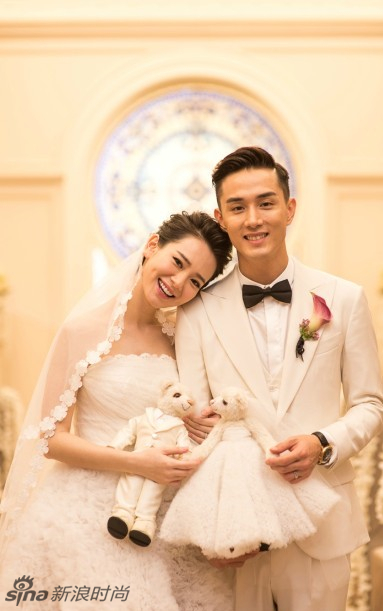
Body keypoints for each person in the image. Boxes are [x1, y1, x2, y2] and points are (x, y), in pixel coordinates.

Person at [176, 147, 383, 611]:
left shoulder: (344, 299)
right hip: (233, 528)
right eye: (237, 207)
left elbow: (370, 403)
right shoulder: (196, 310)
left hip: (321, 523)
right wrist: (208, 522)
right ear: (221, 218)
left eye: (266, 203)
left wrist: (322, 443)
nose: (253, 219)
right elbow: (192, 423)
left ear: (289, 209)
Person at [0, 211, 234, 610]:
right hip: (88, 511)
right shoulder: (82, 331)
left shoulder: (182, 339)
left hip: (166, 514)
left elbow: (191, 412)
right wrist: (137, 463)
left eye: (196, 281)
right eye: (178, 262)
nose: (179, 282)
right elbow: (50, 438)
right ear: (152, 245)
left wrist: (204, 424)